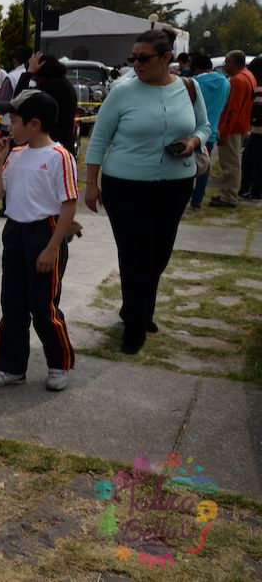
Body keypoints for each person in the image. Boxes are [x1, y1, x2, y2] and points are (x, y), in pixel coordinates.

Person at [84, 29, 210, 354]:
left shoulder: (189, 88)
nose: (135, 64)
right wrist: (90, 184)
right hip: (124, 187)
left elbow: (204, 127)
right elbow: (98, 139)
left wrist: (193, 143)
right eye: (133, 57)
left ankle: (138, 309)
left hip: (175, 186)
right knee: (135, 254)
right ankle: (135, 326)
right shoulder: (122, 92)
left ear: (166, 58)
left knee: (159, 255)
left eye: (143, 58)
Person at [0, 89, 78, 391]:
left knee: (43, 306)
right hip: (15, 232)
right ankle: (11, 368)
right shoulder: (16, 154)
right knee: (12, 304)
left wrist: (53, 247)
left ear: (34, 124)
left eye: (14, 120)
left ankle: (59, 364)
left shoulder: (59, 157)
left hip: (44, 233)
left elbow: (69, 205)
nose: (8, 126)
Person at [210, 50, 258, 208]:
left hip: (233, 127)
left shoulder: (237, 80)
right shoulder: (249, 76)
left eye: (227, 61)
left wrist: (223, 131)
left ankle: (229, 196)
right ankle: (230, 193)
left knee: (230, 163)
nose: (225, 65)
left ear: (235, 63)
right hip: (243, 125)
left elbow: (232, 109)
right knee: (235, 161)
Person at [188, 53, 231, 211]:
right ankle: (197, 202)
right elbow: (225, 105)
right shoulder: (226, 83)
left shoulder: (195, 82)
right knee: (204, 167)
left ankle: (182, 197)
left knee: (187, 166)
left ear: (197, 68)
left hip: (192, 132)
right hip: (211, 131)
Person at [22, 54, 78, 155]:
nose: (33, 79)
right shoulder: (64, 84)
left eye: (35, 74)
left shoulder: (51, 87)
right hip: (62, 145)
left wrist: (28, 73)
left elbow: (19, 99)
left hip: (51, 149)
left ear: (41, 71)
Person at [239, 57, 262, 200]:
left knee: (253, 162)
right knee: (252, 160)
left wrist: (250, 118)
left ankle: (254, 191)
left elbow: (257, 112)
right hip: (256, 132)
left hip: (258, 132)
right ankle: (252, 190)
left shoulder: (259, 89)